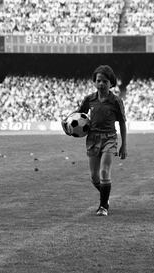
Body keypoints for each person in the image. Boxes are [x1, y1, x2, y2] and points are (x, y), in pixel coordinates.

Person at [62, 65, 127, 216]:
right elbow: (79, 114)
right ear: (94, 82)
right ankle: (106, 196)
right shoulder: (89, 99)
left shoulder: (116, 101)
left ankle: (103, 206)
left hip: (109, 138)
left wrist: (124, 145)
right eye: (98, 81)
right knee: (94, 177)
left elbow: (122, 123)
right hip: (92, 139)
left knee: (104, 171)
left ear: (111, 83)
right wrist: (66, 121)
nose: (101, 84)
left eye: (105, 81)